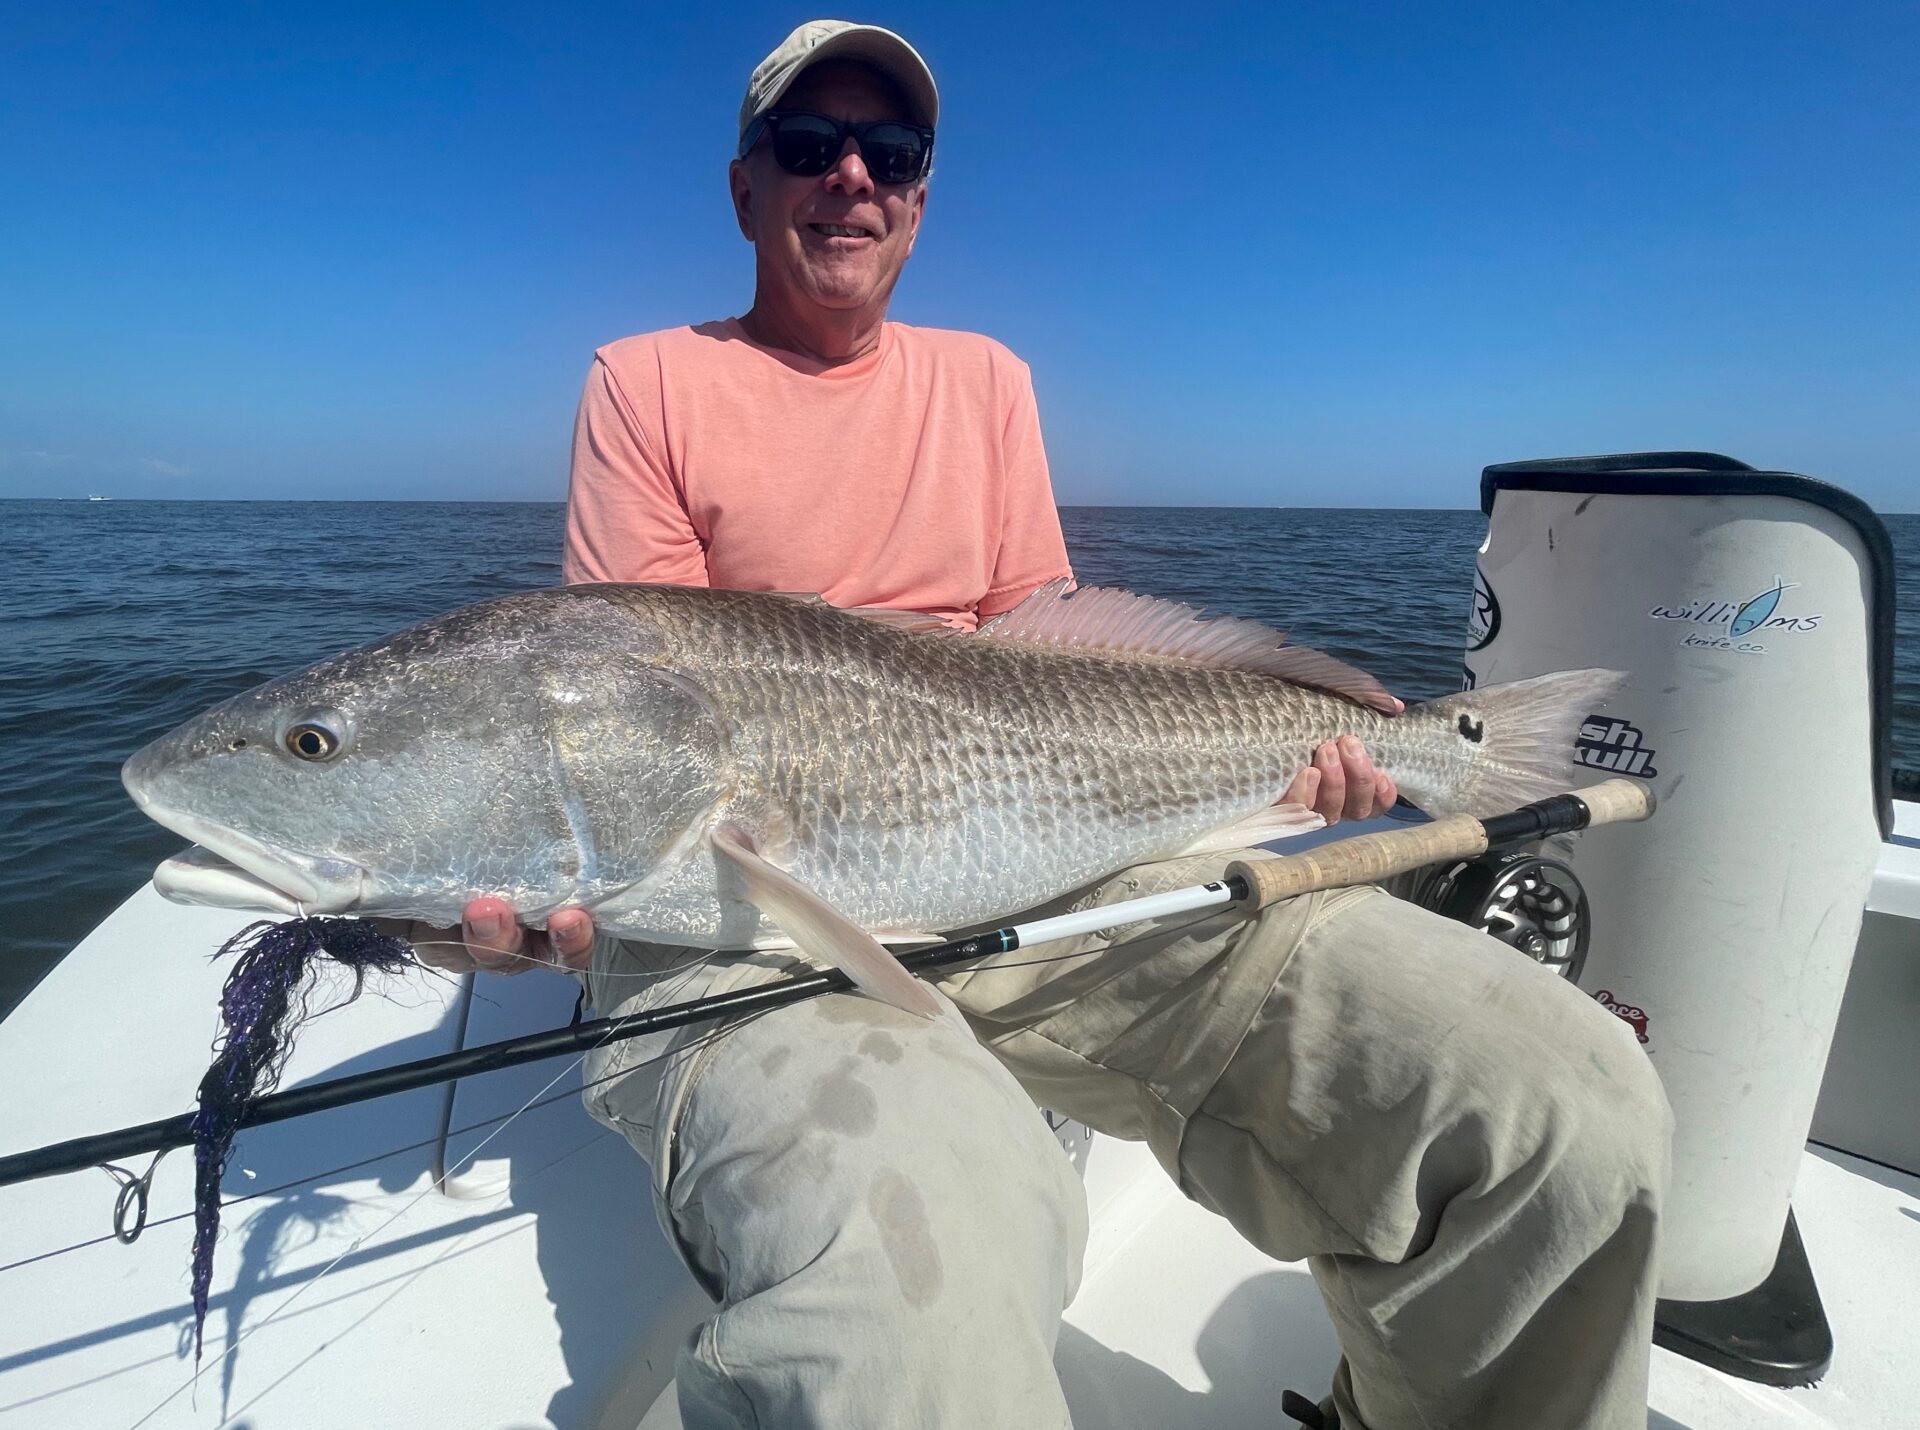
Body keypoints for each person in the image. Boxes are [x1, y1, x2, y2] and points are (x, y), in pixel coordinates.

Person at [411, 22, 1672, 1430]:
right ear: (744, 188)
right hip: (749, 923)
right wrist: (513, 882)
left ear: (921, 200)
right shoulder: (646, 383)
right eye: (807, 147)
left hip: (1060, 862)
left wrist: (1288, 759)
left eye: (890, 155)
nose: (850, 178)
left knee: (1567, 1104)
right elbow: (638, 700)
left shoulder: (988, 382)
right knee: (909, 1315)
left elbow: (1051, 645)